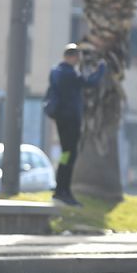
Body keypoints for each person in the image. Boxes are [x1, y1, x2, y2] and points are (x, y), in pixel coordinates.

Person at [46, 43, 106, 206]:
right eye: (77, 57)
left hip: (61, 119)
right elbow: (90, 82)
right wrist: (101, 68)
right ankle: (62, 190)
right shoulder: (69, 74)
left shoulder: (56, 71)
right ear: (72, 57)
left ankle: (61, 189)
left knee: (66, 153)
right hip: (71, 119)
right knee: (69, 154)